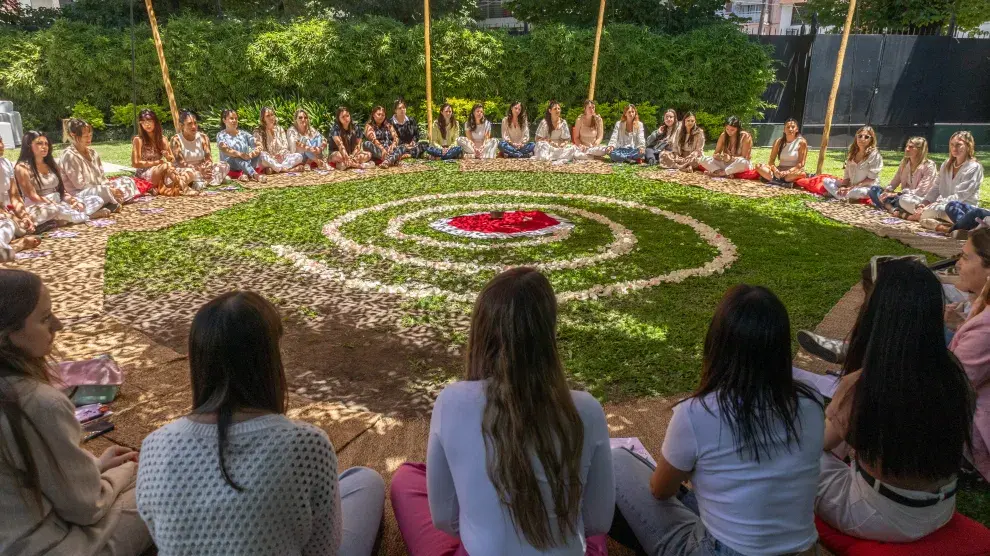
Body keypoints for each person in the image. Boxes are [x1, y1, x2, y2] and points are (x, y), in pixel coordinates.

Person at [137, 291, 385, 555]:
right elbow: (323, 550)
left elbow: (160, 537)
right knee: (365, 480)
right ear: (269, 358)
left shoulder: (154, 447)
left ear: (197, 360)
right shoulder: (306, 444)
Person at [390, 268, 614, 556]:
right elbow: (598, 521)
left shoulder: (452, 401)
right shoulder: (586, 410)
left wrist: (483, 528)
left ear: (481, 332)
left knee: (407, 479)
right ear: (548, 335)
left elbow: (444, 520)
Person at [611, 285, 824, 556]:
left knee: (618, 462)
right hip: (804, 551)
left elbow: (661, 490)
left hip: (722, 550)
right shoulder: (812, 400)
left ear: (717, 343)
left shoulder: (697, 413)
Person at [817, 259, 974, 542]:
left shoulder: (868, 384)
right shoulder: (954, 373)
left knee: (794, 455)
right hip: (940, 508)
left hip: (878, 516)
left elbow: (814, 447)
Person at [0, 269, 153, 555]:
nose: (57, 325)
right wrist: (125, 471)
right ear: (9, 336)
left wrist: (94, 467)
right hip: (49, 547)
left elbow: (34, 476)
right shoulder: (36, 403)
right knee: (158, 482)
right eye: (45, 318)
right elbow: (86, 508)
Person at [948, 229, 990, 481]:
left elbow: (951, 388)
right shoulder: (983, 302)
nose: (957, 263)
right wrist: (957, 326)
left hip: (974, 431)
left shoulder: (986, 327)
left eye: (965, 257)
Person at [14, 131, 91, 228]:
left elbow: (61, 191)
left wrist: (73, 201)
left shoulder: (52, 164)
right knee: (55, 210)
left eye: (46, 144)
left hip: (58, 202)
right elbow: (32, 196)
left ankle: (61, 219)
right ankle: (84, 216)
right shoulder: (22, 167)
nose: (44, 146)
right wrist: (53, 203)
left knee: (94, 199)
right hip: (38, 206)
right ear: (29, 145)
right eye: (39, 143)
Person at [907, 131, 983, 228]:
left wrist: (936, 203)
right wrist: (924, 203)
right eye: (952, 144)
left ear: (968, 146)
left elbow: (961, 196)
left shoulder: (974, 167)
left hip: (959, 208)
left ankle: (959, 222)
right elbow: (936, 187)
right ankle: (940, 222)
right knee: (905, 200)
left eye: (959, 145)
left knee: (940, 209)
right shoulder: (946, 164)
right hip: (940, 205)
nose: (954, 148)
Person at [60, 118, 140, 206]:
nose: (89, 139)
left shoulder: (93, 153)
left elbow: (102, 177)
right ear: (73, 135)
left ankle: (112, 201)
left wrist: (109, 186)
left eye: (90, 135)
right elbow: (80, 185)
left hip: (99, 188)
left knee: (128, 181)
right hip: (80, 193)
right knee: (103, 192)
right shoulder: (69, 156)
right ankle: (112, 201)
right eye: (86, 136)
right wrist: (107, 190)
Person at [867, 136, 937, 216]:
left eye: (911, 147)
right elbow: (895, 180)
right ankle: (893, 208)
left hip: (916, 198)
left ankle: (890, 207)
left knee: (903, 200)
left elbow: (921, 191)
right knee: (874, 190)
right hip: (901, 196)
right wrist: (887, 191)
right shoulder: (904, 162)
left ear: (920, 149)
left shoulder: (929, 166)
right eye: (906, 146)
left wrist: (896, 194)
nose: (907, 149)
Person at [131, 109, 192, 196]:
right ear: (140, 124)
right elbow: (135, 163)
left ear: (155, 122)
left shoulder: (162, 139)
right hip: (144, 175)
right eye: (143, 122)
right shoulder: (138, 140)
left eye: (150, 121)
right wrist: (156, 162)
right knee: (166, 166)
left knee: (189, 172)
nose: (147, 124)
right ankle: (185, 188)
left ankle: (168, 187)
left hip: (162, 171)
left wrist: (167, 156)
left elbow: (172, 160)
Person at [168, 110, 229, 189]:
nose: (194, 126)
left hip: (202, 168)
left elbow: (208, 158)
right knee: (189, 173)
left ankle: (202, 182)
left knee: (224, 165)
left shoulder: (203, 137)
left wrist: (207, 167)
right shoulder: (176, 139)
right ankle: (209, 180)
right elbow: (181, 163)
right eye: (190, 124)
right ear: (181, 126)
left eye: (195, 123)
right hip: (186, 170)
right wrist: (199, 170)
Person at [0, 139, 39, 262]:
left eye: (1, 141)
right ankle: (16, 247)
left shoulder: (5, 163)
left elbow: (14, 195)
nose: (1, 145)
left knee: (24, 224)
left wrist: (24, 216)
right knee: (8, 225)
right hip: (5, 218)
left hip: (8, 215)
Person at [823, 126, 883, 201]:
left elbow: (871, 179)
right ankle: (841, 196)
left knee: (858, 192)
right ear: (856, 137)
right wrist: (843, 187)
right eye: (860, 136)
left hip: (866, 187)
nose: (862, 139)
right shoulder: (852, 152)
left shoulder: (875, 155)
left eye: (866, 137)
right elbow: (847, 174)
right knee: (826, 180)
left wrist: (852, 188)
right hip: (850, 185)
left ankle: (837, 195)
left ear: (871, 139)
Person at [216, 109, 267, 184]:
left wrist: (255, 151)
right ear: (224, 120)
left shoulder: (243, 134)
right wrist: (241, 154)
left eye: (236, 118)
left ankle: (245, 173)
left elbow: (258, 143)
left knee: (258, 154)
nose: (234, 120)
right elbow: (224, 149)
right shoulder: (221, 135)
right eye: (231, 118)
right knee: (237, 157)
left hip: (246, 162)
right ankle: (255, 175)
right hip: (231, 165)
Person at [251, 107, 306, 174]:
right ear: (263, 118)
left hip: (280, 159)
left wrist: (281, 154)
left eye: (272, 115)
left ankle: (275, 169)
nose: (271, 117)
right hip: (268, 160)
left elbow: (285, 145)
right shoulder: (258, 131)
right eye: (268, 116)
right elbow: (258, 149)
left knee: (298, 156)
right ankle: (287, 170)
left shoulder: (279, 129)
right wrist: (272, 156)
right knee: (262, 155)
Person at [755, 118, 808, 184]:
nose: (790, 129)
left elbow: (801, 164)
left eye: (793, 127)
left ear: (797, 129)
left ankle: (777, 180)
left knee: (802, 174)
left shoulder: (802, 142)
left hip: (792, 171)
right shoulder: (778, 142)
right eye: (788, 127)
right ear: (784, 130)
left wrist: (788, 171)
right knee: (758, 166)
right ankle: (779, 179)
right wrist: (775, 170)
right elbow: (771, 161)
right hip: (779, 170)